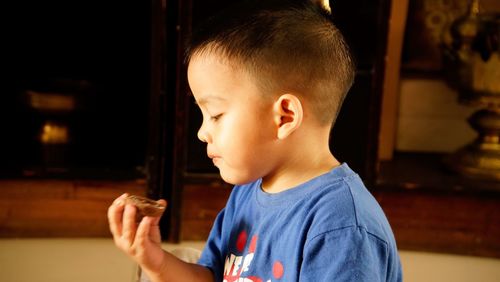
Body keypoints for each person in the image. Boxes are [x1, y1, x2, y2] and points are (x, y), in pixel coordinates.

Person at [108, 0, 403, 281]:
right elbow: (213, 277)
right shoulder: (248, 192)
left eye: (216, 114)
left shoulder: (341, 226)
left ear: (285, 117)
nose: (201, 132)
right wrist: (156, 261)